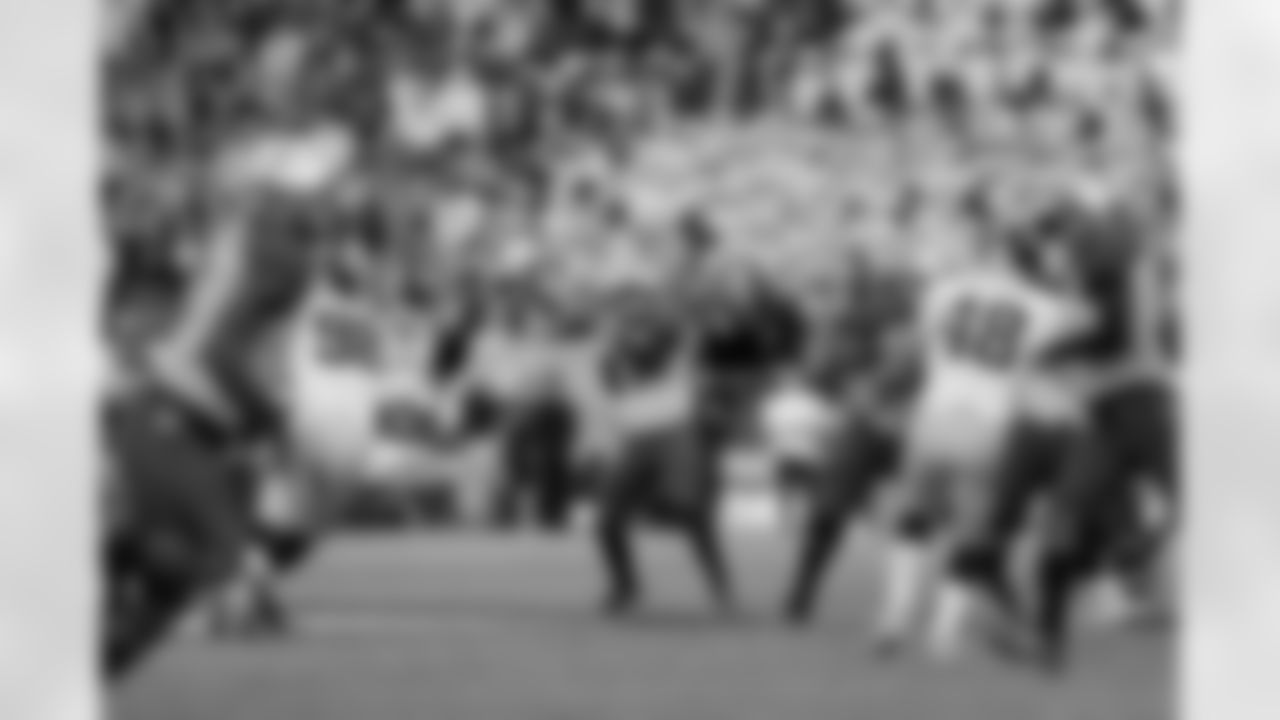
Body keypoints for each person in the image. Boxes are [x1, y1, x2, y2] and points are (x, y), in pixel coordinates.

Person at [875, 230, 1095, 662]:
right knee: (972, 532)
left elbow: (923, 332)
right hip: (989, 424)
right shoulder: (1039, 306)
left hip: (934, 415)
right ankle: (943, 633)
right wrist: (1058, 278)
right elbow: (1086, 317)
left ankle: (895, 617)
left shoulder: (944, 291)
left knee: (913, 520)